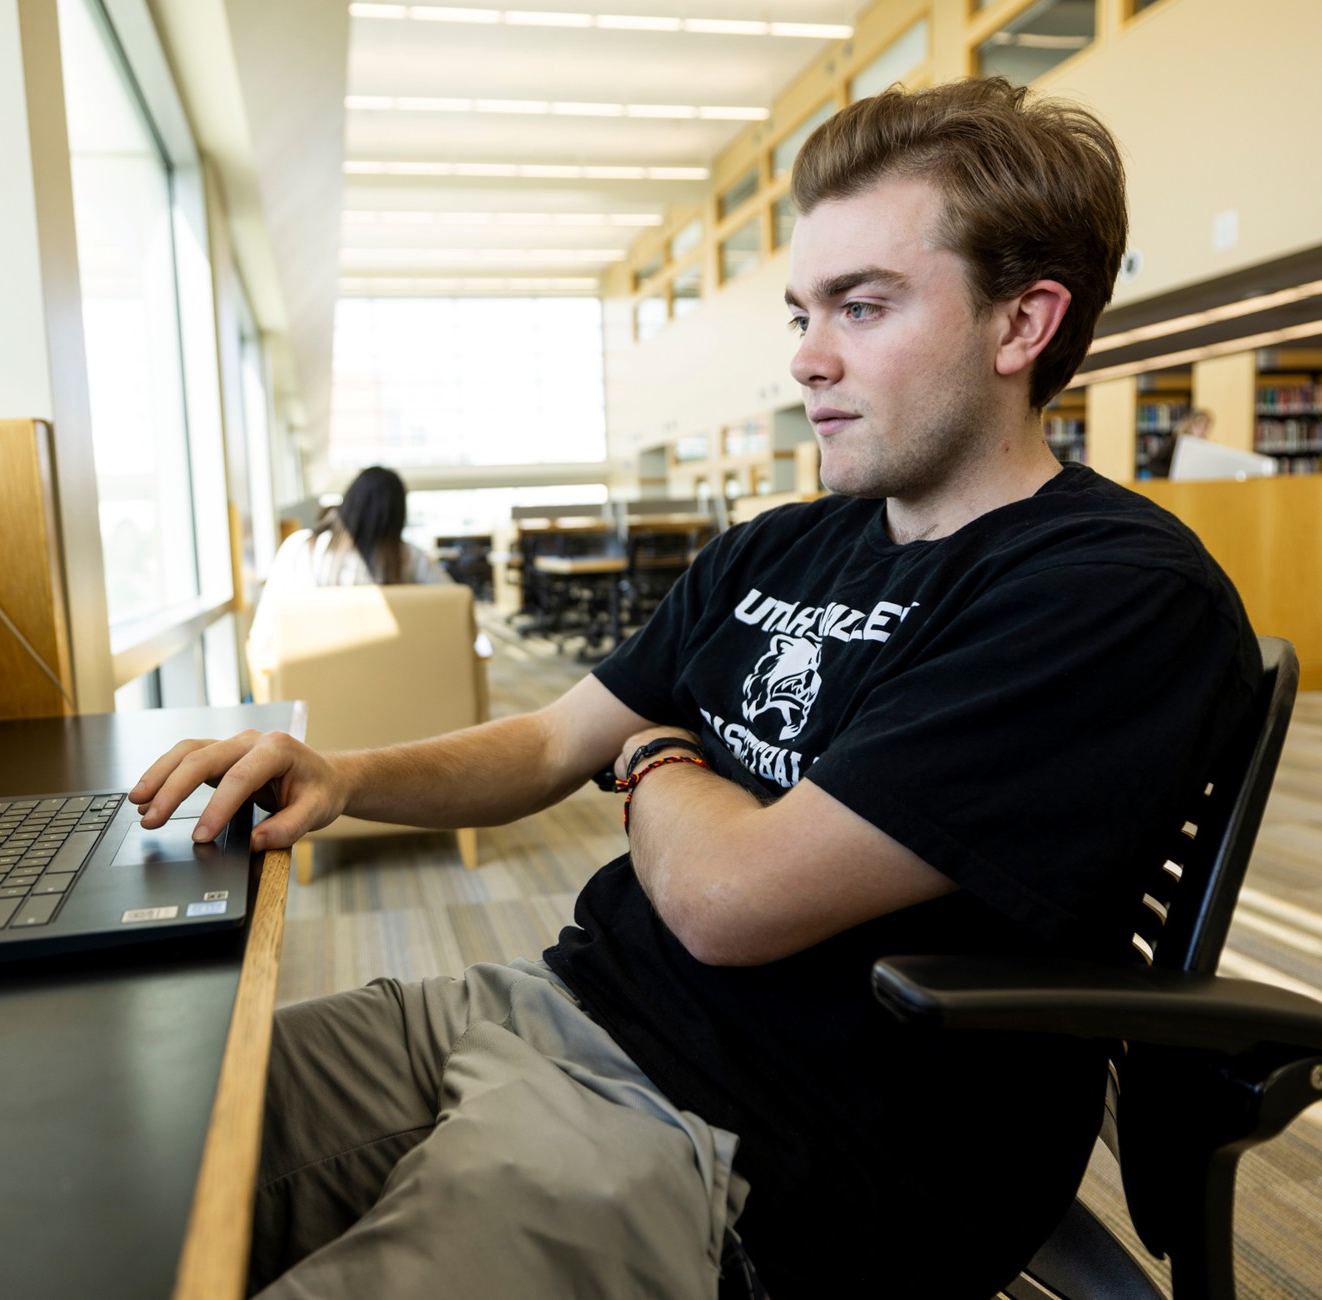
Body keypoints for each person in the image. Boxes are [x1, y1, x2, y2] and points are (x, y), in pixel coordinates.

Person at [133, 78, 1260, 1299]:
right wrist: (346, 776)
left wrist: (660, 759)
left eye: (861, 306)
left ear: (1021, 324)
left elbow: (731, 899)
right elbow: (556, 738)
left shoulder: (1108, 592)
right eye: (801, 310)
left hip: (750, 1147)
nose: (805, 358)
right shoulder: (778, 547)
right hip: (542, 1004)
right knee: (131, 1142)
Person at [246, 465, 451, 668]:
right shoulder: (409, 558)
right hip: (393, 682)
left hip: (311, 685)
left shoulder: (299, 549)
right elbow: (457, 610)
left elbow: (262, 640)